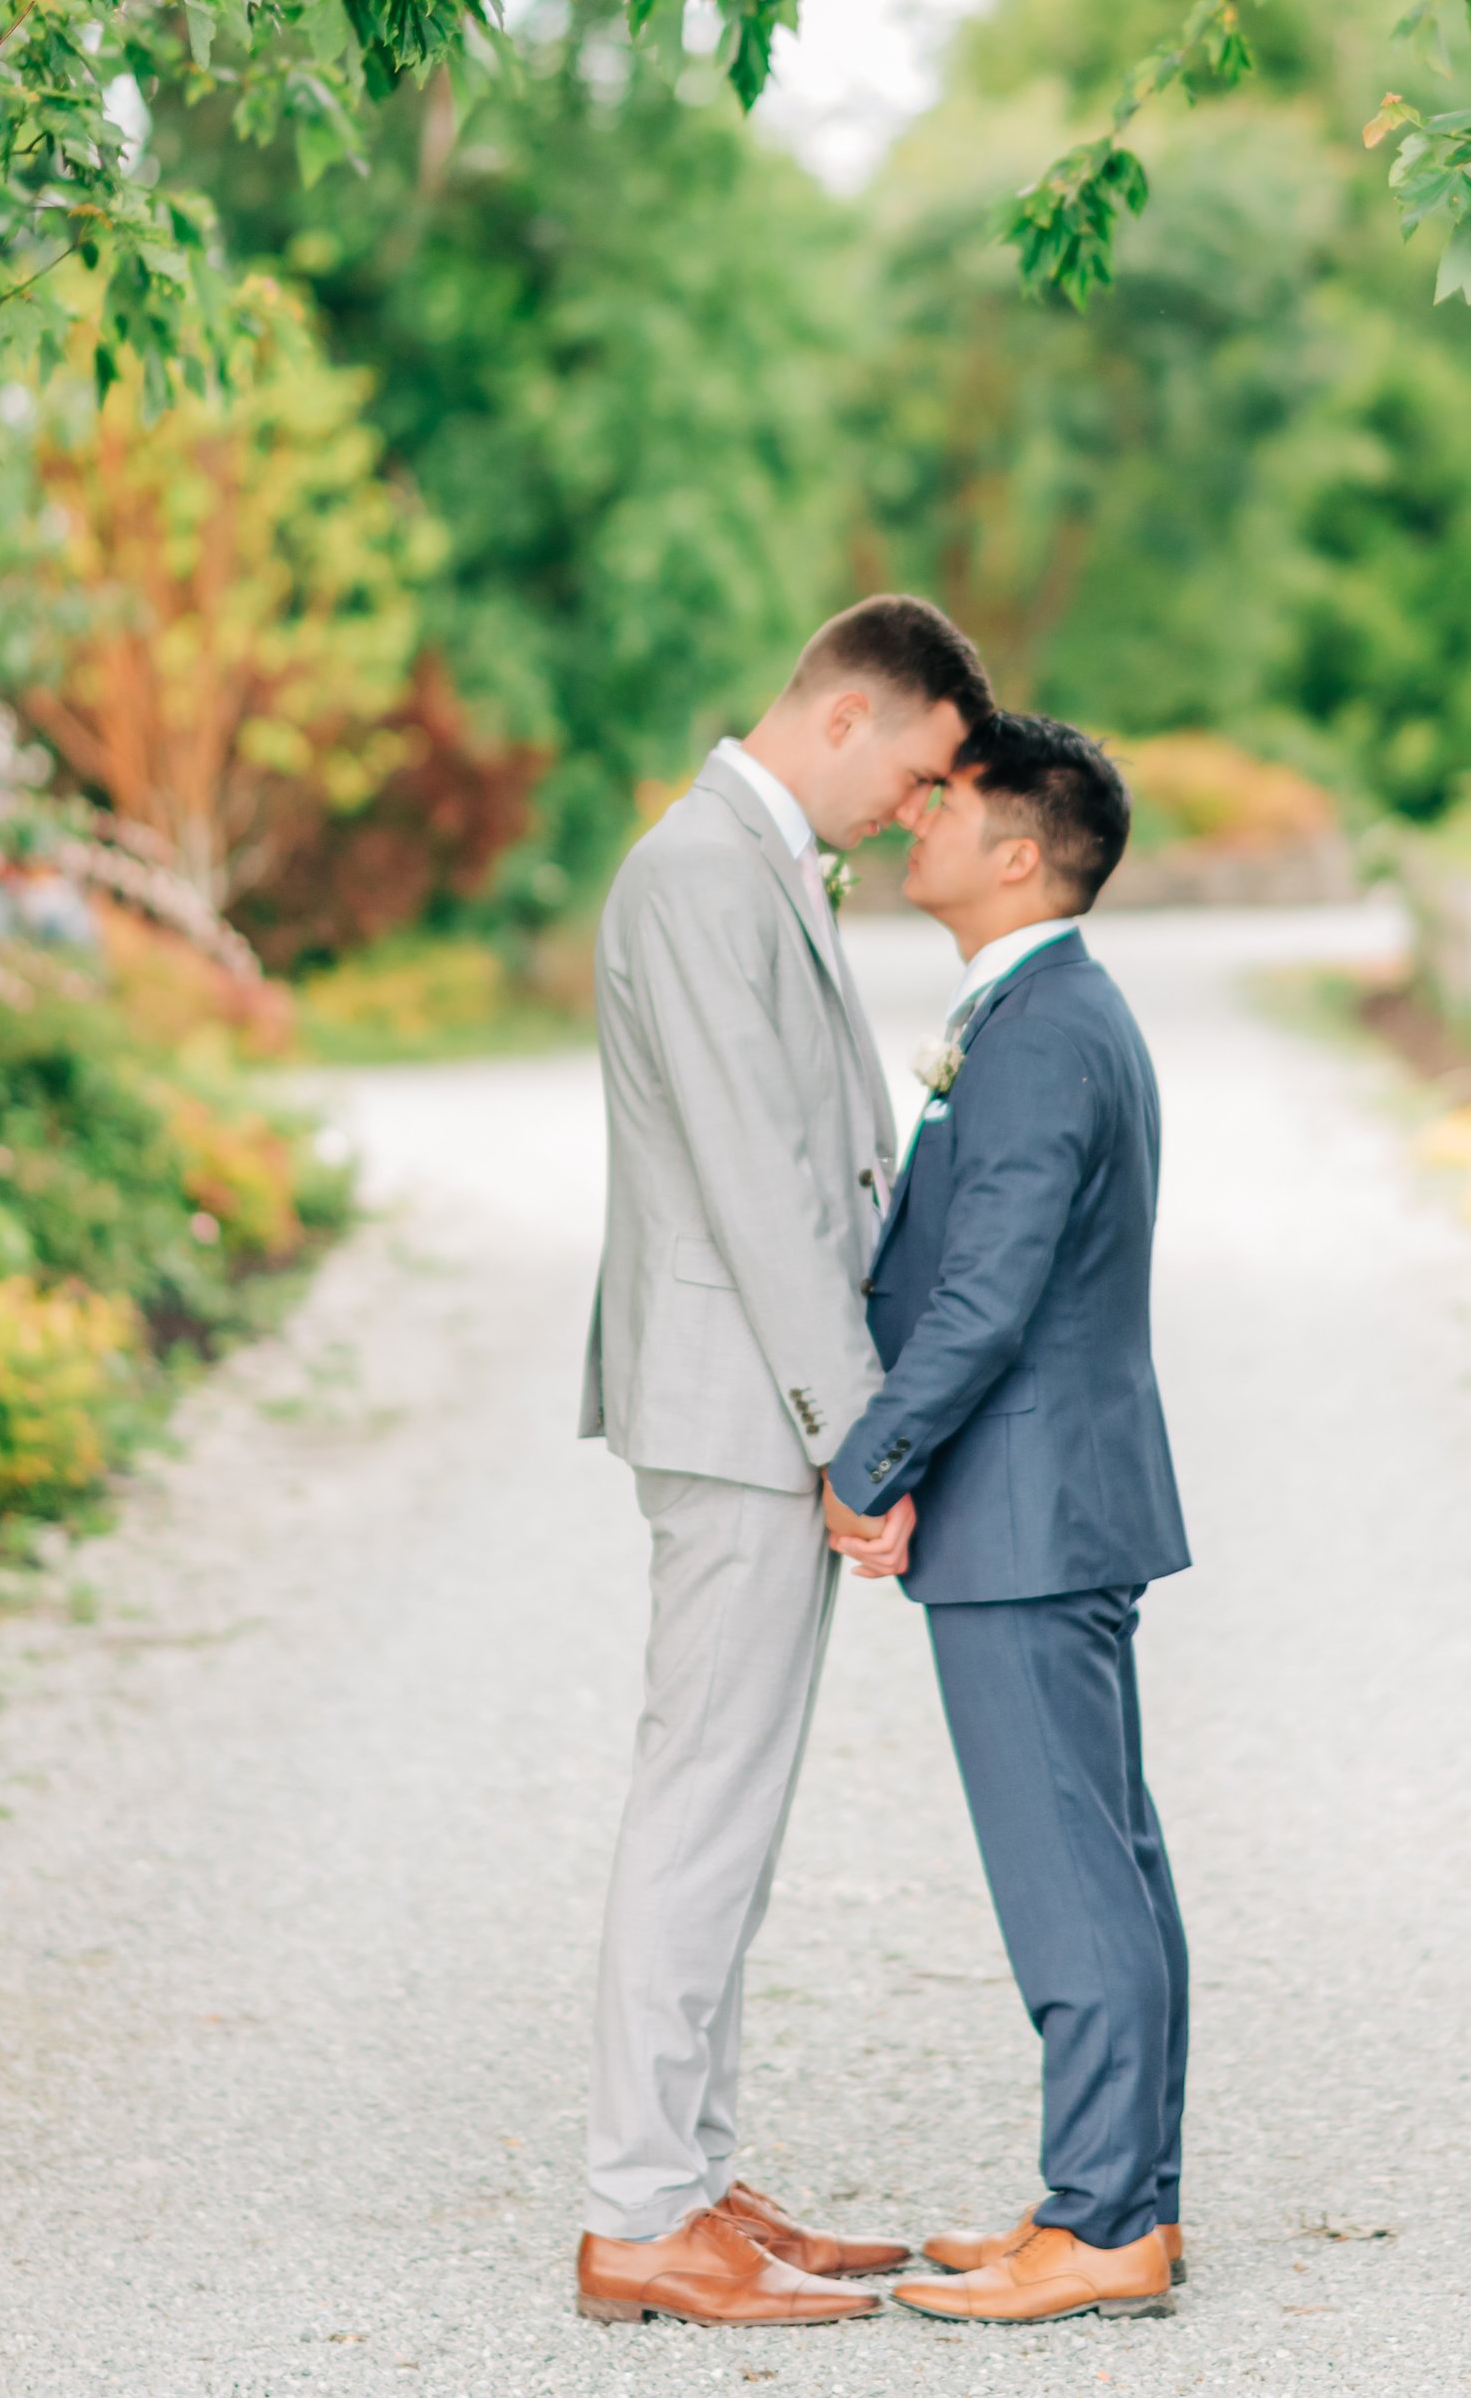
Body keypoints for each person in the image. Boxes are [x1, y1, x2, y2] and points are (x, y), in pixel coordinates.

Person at [573, 595, 992, 2331]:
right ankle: (636, 2209)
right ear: (844, 716)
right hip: (742, 1410)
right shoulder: (695, 875)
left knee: (733, 1805)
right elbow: (758, 1181)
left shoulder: (755, 863)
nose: (919, 807)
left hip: (761, 1405)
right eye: (920, 767)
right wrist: (858, 1434)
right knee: (703, 1799)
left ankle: (694, 2172)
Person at [822, 712, 1191, 2327]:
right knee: (1105, 1853)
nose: (917, 818)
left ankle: (1105, 2222)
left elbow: (984, 1297)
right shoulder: (1046, 1006)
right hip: (1054, 1503)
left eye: (946, 803)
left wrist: (869, 1458)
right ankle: (1118, 2201)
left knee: (1068, 1872)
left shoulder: (1040, 1028)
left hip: (1029, 1509)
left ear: (1021, 849)